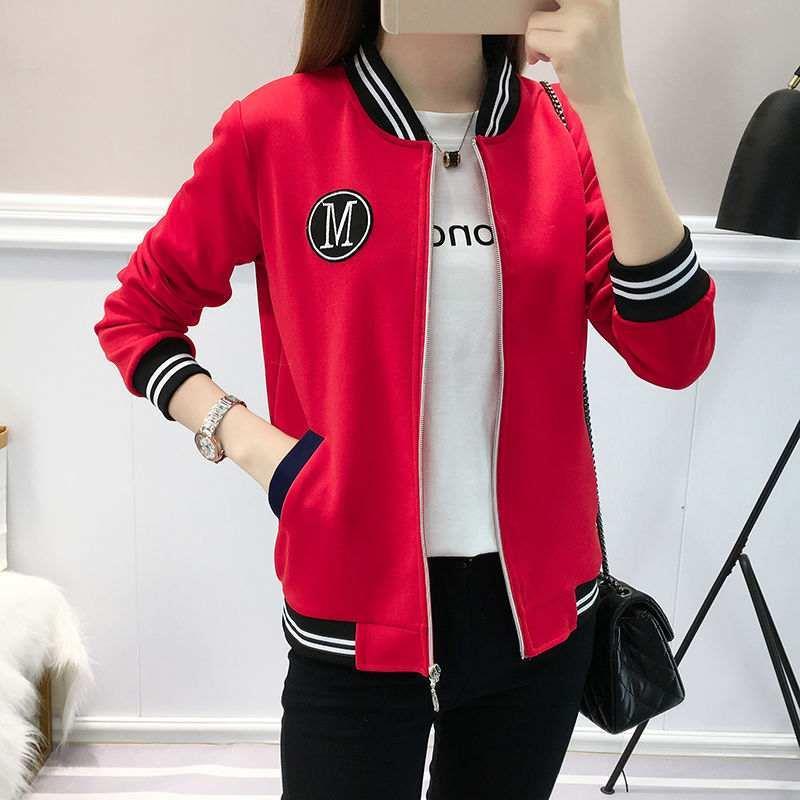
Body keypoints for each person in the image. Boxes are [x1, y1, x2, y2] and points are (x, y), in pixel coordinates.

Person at [93, 1, 717, 797]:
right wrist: (257, 447)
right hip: (352, 617)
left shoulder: (568, 131)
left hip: (542, 623)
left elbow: (675, 353)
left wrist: (613, 103)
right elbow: (138, 315)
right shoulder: (276, 129)